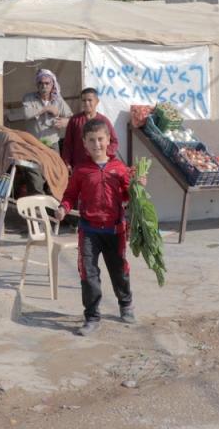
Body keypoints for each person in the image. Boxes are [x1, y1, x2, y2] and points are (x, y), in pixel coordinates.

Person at [55, 118, 139, 337]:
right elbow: (70, 195)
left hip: (115, 230)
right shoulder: (81, 170)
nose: (97, 144)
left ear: (108, 139)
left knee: (119, 270)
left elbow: (129, 195)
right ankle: (92, 317)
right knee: (88, 273)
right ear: (84, 143)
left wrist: (138, 185)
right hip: (89, 230)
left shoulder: (119, 169)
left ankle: (126, 305)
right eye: (91, 140)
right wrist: (63, 208)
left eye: (100, 139)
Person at [6, 68, 73, 196]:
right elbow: (27, 113)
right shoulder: (29, 98)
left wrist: (65, 121)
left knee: (55, 176)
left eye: (47, 83)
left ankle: (55, 208)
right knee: (34, 175)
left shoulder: (58, 100)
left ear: (52, 84)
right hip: (34, 144)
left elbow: (72, 118)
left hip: (52, 145)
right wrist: (46, 109)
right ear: (37, 85)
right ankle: (37, 208)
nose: (44, 86)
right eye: (41, 83)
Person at [61, 87, 119, 170]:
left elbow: (114, 142)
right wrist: (66, 162)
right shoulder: (74, 120)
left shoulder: (104, 121)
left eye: (89, 100)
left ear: (97, 101)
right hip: (79, 166)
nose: (86, 103)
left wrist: (103, 153)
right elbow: (67, 144)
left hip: (99, 167)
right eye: (84, 100)